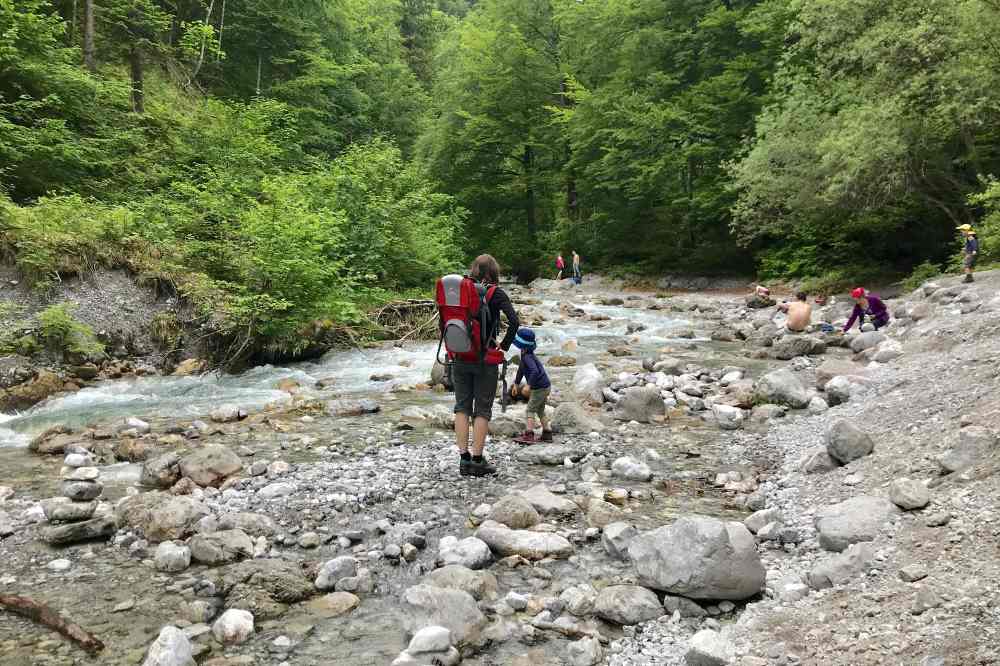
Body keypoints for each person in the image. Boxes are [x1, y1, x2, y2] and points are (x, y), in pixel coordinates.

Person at [452, 254, 519, 477]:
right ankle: (478, 461)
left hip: (460, 356)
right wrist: (504, 346)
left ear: (474, 269)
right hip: (484, 358)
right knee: (482, 409)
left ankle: (464, 459)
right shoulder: (496, 293)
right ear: (495, 272)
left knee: (461, 406)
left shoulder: (463, 288)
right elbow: (514, 322)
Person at [510, 328, 552, 443]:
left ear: (521, 345)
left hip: (539, 388)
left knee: (530, 410)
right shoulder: (525, 354)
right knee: (540, 410)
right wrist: (516, 383)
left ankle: (529, 434)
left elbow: (534, 371)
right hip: (544, 386)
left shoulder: (527, 357)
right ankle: (547, 433)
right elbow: (521, 369)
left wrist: (528, 385)